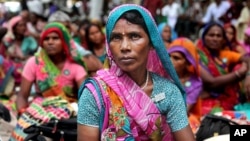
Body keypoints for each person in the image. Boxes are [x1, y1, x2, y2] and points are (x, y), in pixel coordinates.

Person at [77, 4, 195, 141]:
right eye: (116, 38)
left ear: (151, 43)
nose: (124, 47)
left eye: (134, 36)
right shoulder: (95, 94)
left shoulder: (168, 92)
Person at [11, 22, 87, 140]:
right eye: (46, 38)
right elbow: (22, 95)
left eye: (55, 38)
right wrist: (23, 114)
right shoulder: (35, 62)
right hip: (40, 110)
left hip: (68, 113)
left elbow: (85, 98)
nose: (50, 42)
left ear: (64, 41)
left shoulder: (75, 67)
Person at [197, 22, 250, 115]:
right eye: (211, 35)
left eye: (219, 36)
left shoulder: (223, 54)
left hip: (224, 99)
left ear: (223, 40)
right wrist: (238, 73)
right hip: (202, 100)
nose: (215, 39)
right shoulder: (197, 56)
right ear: (204, 37)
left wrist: (248, 74)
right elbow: (211, 82)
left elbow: (247, 59)